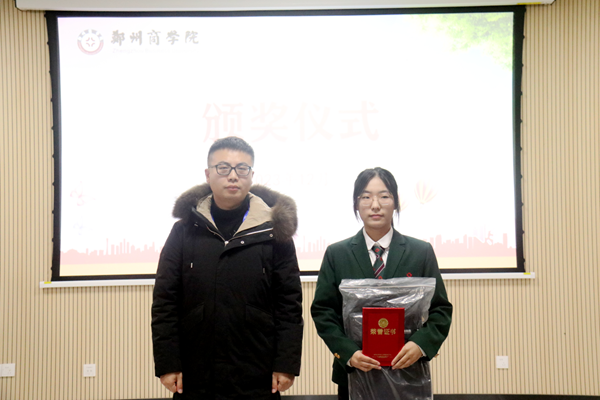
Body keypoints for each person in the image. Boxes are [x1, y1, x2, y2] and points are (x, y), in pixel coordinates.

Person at [152, 136, 303, 399]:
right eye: (223, 168)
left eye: (242, 168)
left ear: (251, 175)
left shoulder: (274, 232)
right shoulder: (184, 230)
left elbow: (289, 303)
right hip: (195, 370)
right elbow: (165, 300)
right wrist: (168, 363)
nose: (233, 176)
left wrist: (286, 363)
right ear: (208, 174)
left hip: (257, 369)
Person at [310, 167, 452, 400]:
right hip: (355, 371)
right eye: (366, 197)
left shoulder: (420, 252)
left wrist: (420, 345)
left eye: (384, 196)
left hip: (407, 371)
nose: (375, 205)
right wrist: (349, 353)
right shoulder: (337, 254)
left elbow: (440, 309)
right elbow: (323, 312)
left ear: (395, 203)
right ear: (356, 204)